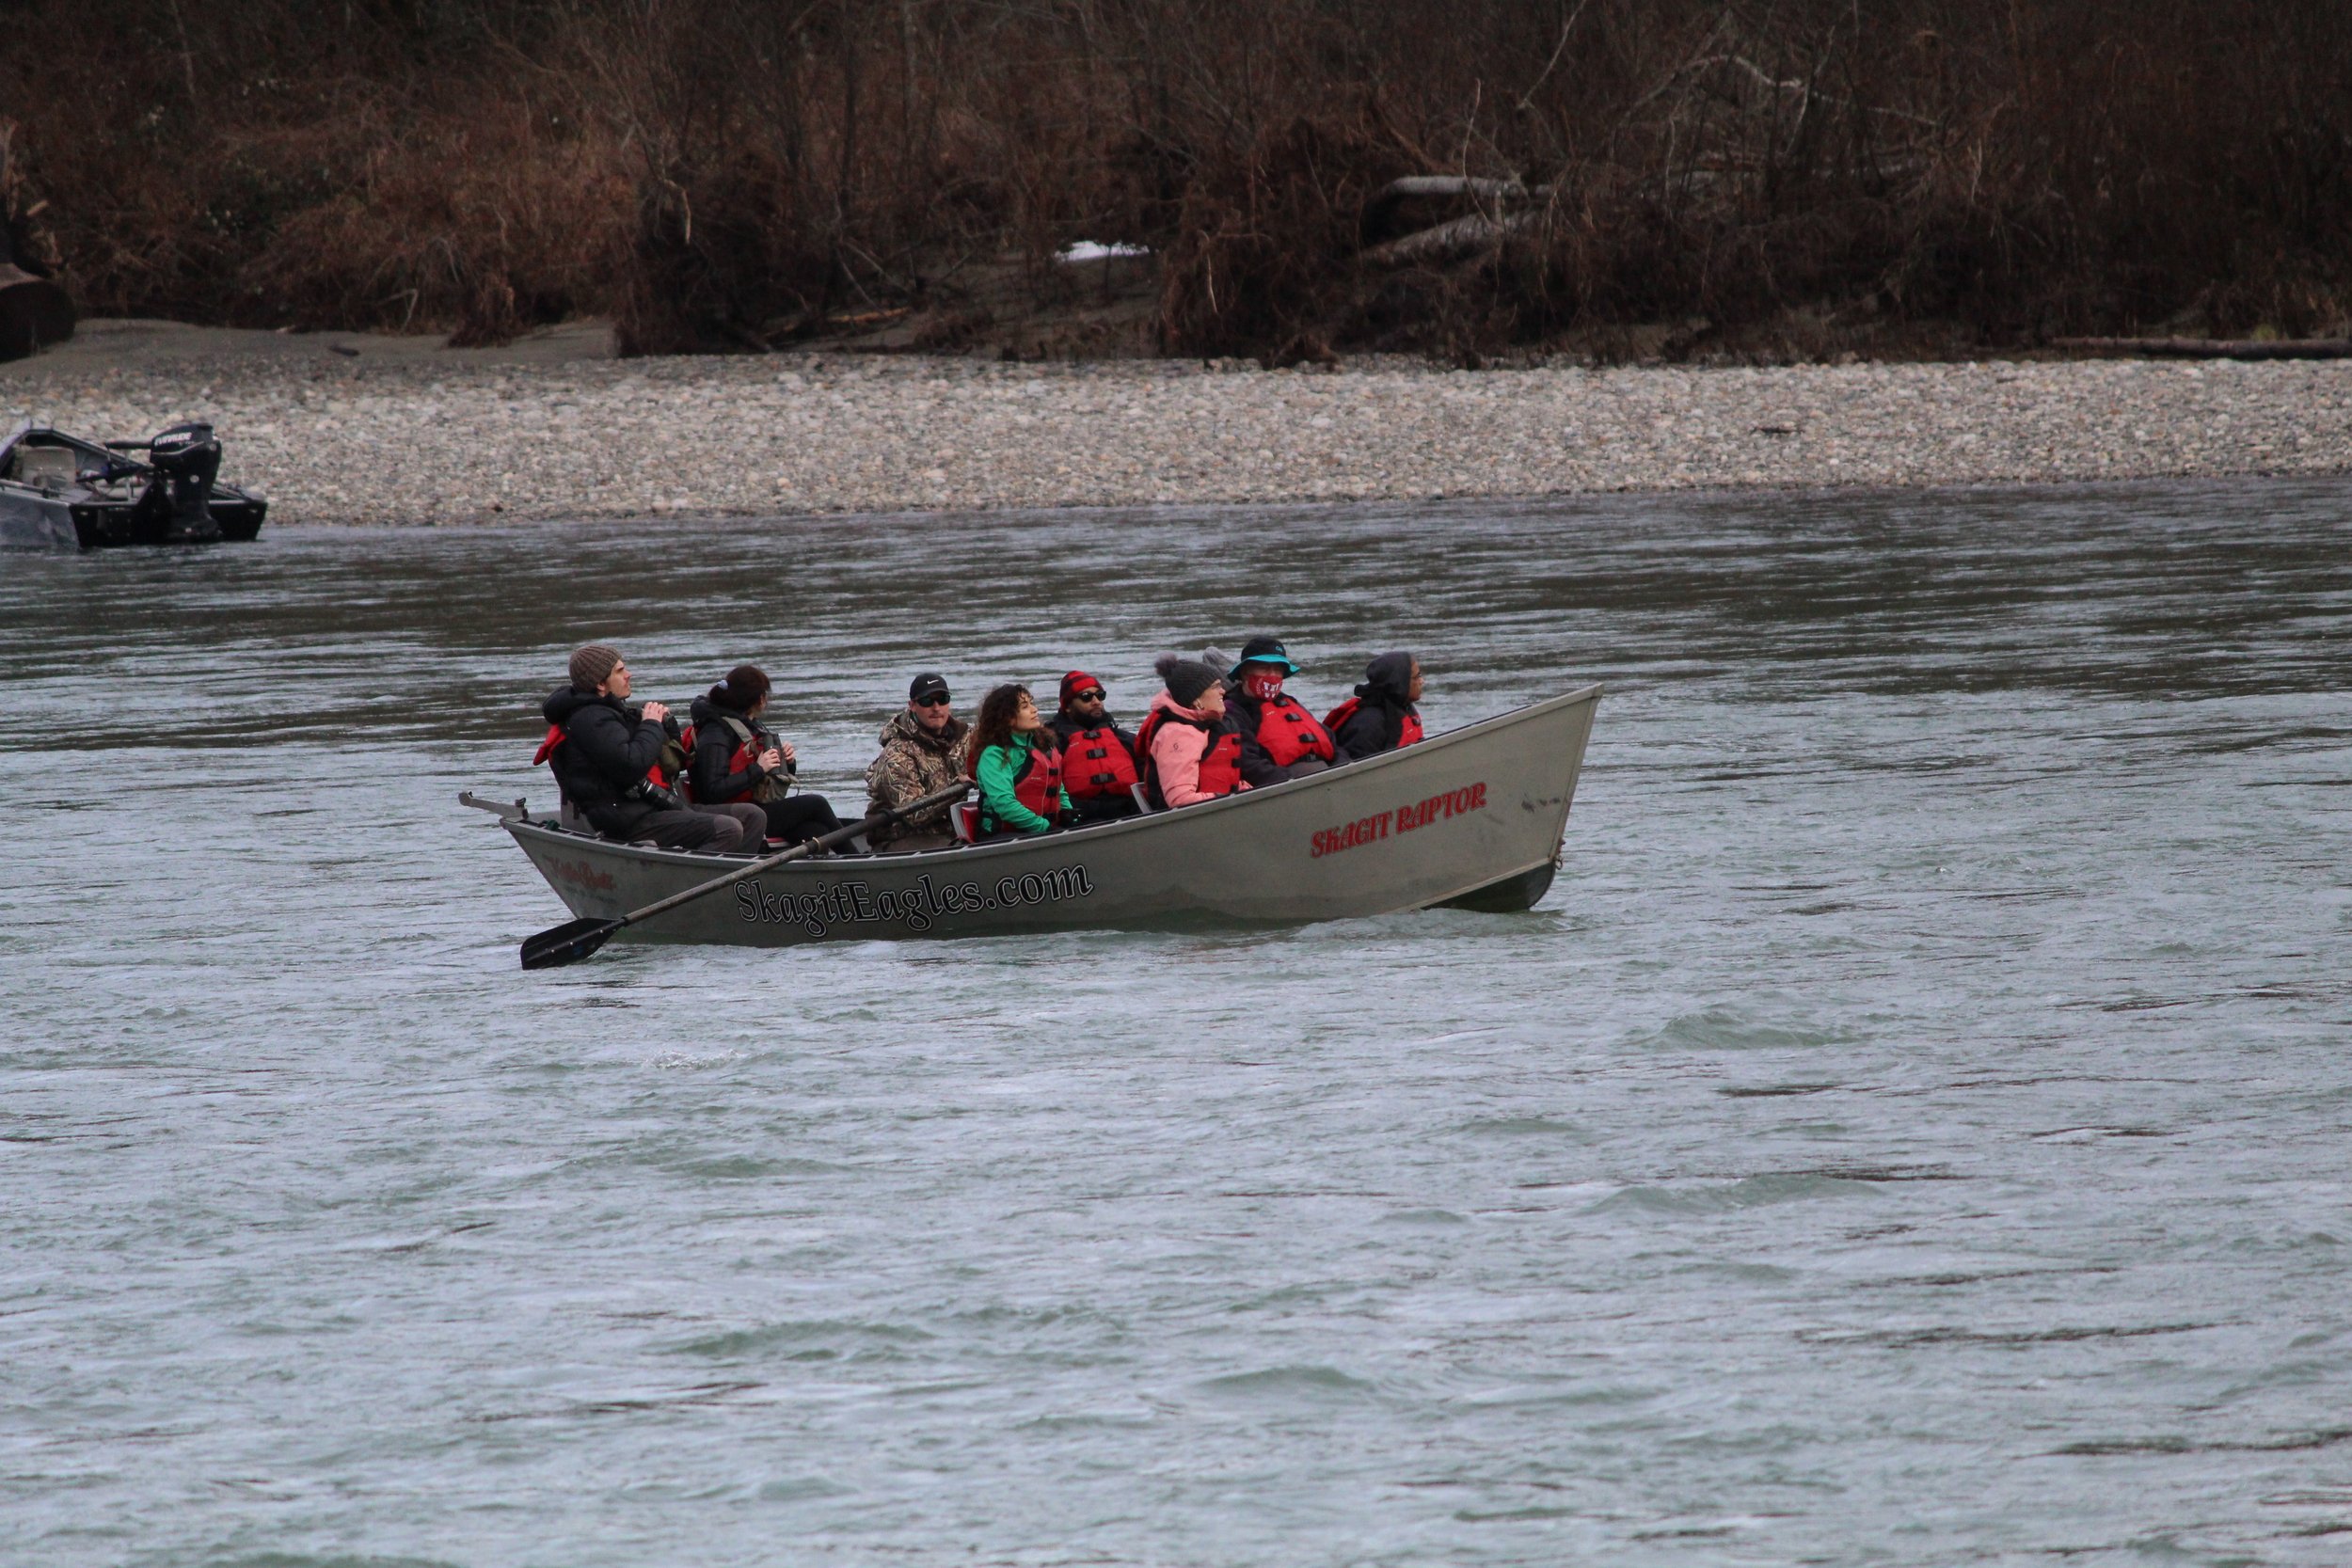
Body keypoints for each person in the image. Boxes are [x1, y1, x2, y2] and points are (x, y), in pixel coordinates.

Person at [538, 643, 752, 851]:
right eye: (620, 671)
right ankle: (699, 882)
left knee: (751, 816)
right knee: (728, 829)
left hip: (649, 806)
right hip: (629, 820)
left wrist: (666, 727)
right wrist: (651, 724)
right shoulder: (591, 719)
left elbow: (671, 765)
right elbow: (631, 765)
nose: (629, 675)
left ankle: (744, 882)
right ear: (601, 684)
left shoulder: (610, 712)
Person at [689, 663, 844, 847]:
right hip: (731, 814)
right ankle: (859, 861)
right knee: (816, 803)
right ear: (759, 699)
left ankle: (827, 872)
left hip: (753, 805)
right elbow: (712, 791)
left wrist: (788, 763)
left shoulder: (750, 725)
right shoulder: (716, 732)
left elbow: (770, 779)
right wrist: (759, 768)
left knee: (814, 831)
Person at [1223, 634, 1346, 786]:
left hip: (1327, 780)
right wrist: (1293, 782)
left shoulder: (1289, 702)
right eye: (1264, 668)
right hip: (1287, 788)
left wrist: (1341, 771)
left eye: (1277, 669)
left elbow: (1333, 743)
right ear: (1245, 672)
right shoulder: (1233, 709)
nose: (1272, 675)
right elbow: (1246, 763)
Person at [865, 672, 970, 850]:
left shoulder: (964, 738)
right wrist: (957, 789)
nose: (936, 708)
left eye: (942, 699)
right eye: (927, 701)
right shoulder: (896, 755)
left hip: (949, 832)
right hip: (901, 839)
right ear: (912, 705)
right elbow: (914, 814)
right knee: (953, 849)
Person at [1134, 654, 1248, 809]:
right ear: (1196, 699)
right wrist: (1231, 800)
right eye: (1215, 687)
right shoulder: (1177, 734)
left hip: (1218, 812)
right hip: (1190, 823)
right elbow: (1180, 800)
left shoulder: (1203, 727)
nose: (1223, 691)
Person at [966, 684, 1073, 838]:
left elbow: (1059, 791)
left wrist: (1067, 813)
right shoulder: (994, 754)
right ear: (1007, 718)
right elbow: (1005, 805)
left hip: (1043, 829)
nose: (1034, 709)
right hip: (1002, 835)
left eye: (1031, 703)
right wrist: (1045, 827)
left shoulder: (1043, 746)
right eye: (1025, 706)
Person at [1046, 669, 1142, 822]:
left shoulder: (1125, 740)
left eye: (1100, 695)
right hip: (1079, 820)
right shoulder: (1051, 744)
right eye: (1086, 697)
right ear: (1068, 706)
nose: (1096, 701)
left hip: (1128, 814)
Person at [1326, 651, 1425, 758]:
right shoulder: (1369, 722)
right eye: (1417, 676)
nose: (1422, 681)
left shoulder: (1402, 707)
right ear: (1399, 682)